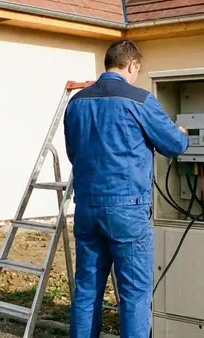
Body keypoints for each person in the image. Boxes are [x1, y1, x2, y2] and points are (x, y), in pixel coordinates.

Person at [64, 39, 189, 338]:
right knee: (134, 294)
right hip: (128, 210)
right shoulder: (140, 100)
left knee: (86, 290)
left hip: (87, 207)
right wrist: (182, 132)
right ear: (131, 64)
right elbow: (173, 145)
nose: (136, 77)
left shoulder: (76, 102)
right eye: (137, 70)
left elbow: (73, 152)